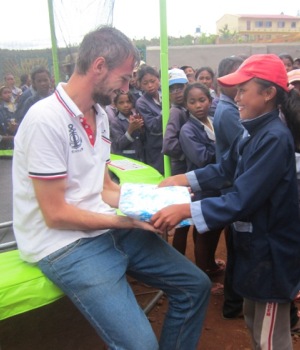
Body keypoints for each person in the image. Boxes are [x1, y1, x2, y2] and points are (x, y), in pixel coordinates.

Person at [12, 26, 211, 350]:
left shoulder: (99, 115)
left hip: (105, 226)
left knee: (195, 286)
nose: (128, 86)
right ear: (99, 66)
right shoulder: (44, 120)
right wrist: (129, 220)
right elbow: (55, 214)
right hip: (62, 244)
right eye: (124, 78)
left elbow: (103, 188)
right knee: (141, 346)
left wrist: (156, 201)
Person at [151, 54, 300, 350]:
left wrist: (187, 210)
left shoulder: (273, 138)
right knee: (252, 319)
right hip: (255, 248)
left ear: (269, 93)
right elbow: (225, 168)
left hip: (271, 253)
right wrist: (184, 179)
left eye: (244, 90)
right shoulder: (253, 132)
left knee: (270, 336)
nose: (236, 96)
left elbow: (243, 198)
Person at [179, 82, 225, 294]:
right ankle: (202, 278)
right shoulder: (188, 130)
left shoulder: (213, 121)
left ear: (210, 100)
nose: (198, 105)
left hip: (217, 184)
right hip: (202, 187)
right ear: (186, 105)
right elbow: (202, 159)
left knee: (214, 227)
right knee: (203, 231)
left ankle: (210, 264)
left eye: (202, 100)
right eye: (192, 101)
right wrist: (224, 148)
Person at [213, 55, 245, 318]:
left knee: (238, 247)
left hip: (234, 185)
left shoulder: (231, 109)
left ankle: (235, 301)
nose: (241, 87)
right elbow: (243, 154)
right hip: (235, 187)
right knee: (239, 248)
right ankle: (234, 303)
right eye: (238, 81)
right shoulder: (228, 113)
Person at [162, 68, 190, 255]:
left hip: (184, 171)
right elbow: (169, 144)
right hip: (181, 171)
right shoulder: (176, 112)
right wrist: (189, 154)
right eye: (172, 89)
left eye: (180, 87)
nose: (177, 92)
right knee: (182, 224)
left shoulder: (185, 109)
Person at [135, 65, 164, 174]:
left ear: (158, 79)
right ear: (140, 85)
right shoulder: (141, 103)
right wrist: (166, 109)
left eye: (152, 81)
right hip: (156, 148)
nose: (150, 86)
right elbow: (153, 125)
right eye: (145, 83)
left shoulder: (165, 94)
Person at [110, 91, 145, 161]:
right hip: (126, 160)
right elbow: (119, 144)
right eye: (121, 103)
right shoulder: (115, 122)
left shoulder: (137, 117)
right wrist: (130, 130)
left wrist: (141, 129)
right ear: (115, 105)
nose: (126, 105)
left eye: (128, 102)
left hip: (141, 158)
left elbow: (144, 139)